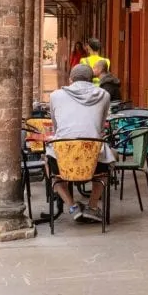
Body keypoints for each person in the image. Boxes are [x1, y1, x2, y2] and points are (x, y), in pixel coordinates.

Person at [46, 63, 113, 223]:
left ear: (70, 79)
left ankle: (71, 205)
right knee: (107, 168)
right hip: (92, 157)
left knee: (49, 167)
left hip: (64, 155)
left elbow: (56, 126)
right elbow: (101, 123)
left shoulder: (55, 96)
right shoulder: (104, 95)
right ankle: (92, 206)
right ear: (92, 79)